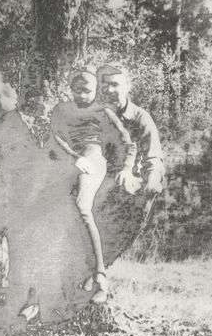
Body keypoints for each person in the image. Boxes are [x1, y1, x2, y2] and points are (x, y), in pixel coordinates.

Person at [50, 68, 137, 304]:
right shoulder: (61, 109)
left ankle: (100, 278)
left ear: (96, 90)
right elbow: (54, 136)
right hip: (68, 159)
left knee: (82, 207)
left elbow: (128, 144)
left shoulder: (102, 112)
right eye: (76, 90)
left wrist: (127, 168)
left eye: (87, 90)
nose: (81, 95)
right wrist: (72, 157)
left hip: (92, 160)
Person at [97, 64, 165, 196]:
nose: (109, 90)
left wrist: (153, 181)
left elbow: (153, 159)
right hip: (99, 179)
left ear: (128, 86)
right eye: (105, 84)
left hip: (129, 181)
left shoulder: (140, 118)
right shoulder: (96, 115)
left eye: (115, 84)